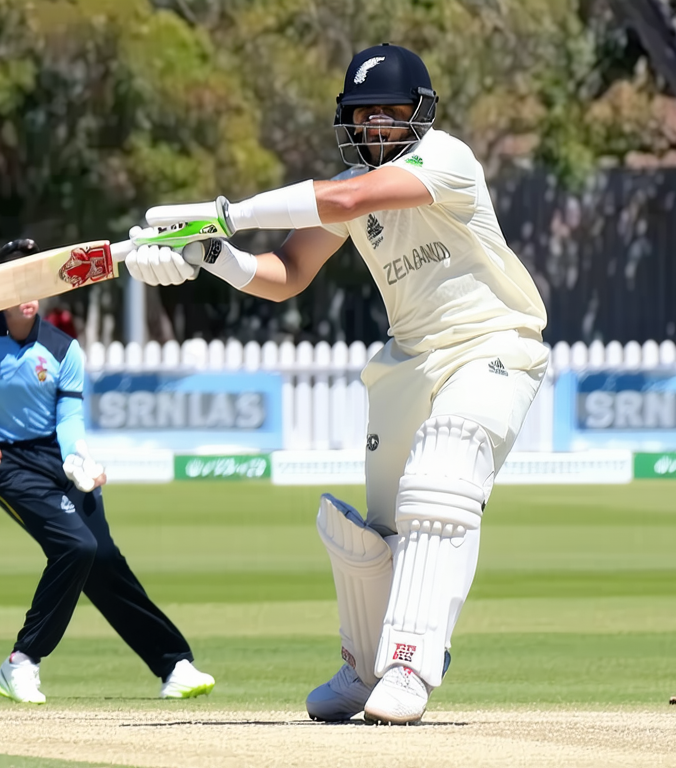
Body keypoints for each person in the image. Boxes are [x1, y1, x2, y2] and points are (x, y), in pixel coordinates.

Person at [124, 44, 548, 725]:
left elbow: (346, 197)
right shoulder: (349, 186)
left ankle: (410, 664)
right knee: (375, 533)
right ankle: (365, 667)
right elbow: (285, 275)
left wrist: (225, 214)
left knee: (440, 482)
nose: (377, 125)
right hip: (409, 359)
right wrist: (210, 254)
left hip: (491, 343)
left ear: (420, 113)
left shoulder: (446, 158)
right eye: (364, 114)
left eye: (391, 112)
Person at [0, 238, 215, 705]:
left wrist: (79, 460)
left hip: (55, 456)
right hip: (2, 461)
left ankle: (173, 665)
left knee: (103, 559)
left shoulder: (63, 347)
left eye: (36, 280)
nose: (29, 293)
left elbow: (69, 417)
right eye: (18, 282)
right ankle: (21, 661)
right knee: (76, 546)